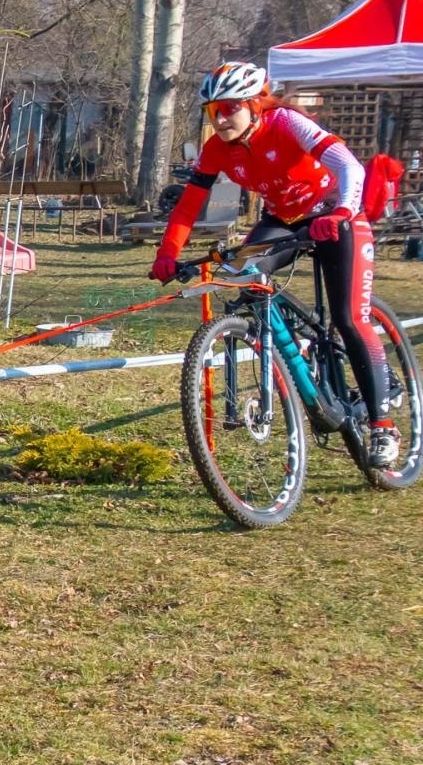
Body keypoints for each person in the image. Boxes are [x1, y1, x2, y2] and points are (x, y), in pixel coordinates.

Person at [148, 61, 399, 466]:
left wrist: (342, 211)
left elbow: (348, 165)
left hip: (336, 215)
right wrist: (168, 254)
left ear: (253, 104)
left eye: (230, 108)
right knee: (239, 278)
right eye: (214, 111)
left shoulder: (286, 123)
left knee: (348, 317)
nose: (222, 118)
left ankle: (383, 425)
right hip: (281, 220)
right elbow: (189, 205)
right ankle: (297, 347)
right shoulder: (216, 149)